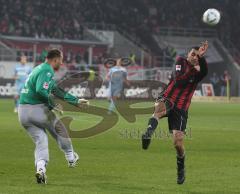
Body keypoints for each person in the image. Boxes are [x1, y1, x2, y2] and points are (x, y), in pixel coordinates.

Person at [141, 41, 209, 184]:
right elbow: (178, 81)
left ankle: (181, 168)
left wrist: (202, 58)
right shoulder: (180, 61)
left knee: (178, 143)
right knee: (158, 111)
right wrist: (192, 70)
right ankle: (148, 133)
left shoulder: (198, 73)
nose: (195, 57)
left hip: (182, 107)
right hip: (168, 98)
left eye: (197, 56)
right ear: (188, 55)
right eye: (193, 54)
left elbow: (204, 71)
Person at [18, 49, 89, 184]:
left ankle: (41, 170)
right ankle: (71, 157)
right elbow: (40, 90)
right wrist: (53, 104)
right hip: (36, 109)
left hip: (23, 113)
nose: (61, 63)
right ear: (55, 59)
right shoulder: (47, 70)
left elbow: (55, 89)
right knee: (59, 129)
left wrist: (75, 101)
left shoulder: (39, 68)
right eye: (61, 60)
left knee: (41, 141)